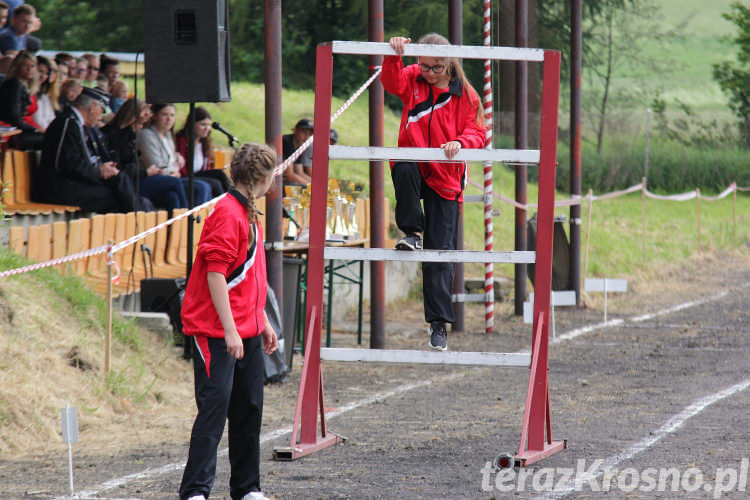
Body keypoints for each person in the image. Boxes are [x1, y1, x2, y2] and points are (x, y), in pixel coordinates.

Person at [179, 142, 279, 500]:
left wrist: (262, 319)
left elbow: (248, 276)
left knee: (248, 409)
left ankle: (247, 487)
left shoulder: (249, 212)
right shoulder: (227, 212)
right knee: (214, 408)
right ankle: (195, 491)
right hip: (216, 331)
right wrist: (231, 329)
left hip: (246, 330)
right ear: (262, 178)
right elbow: (216, 275)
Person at [383, 34, 486, 351]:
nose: (428, 72)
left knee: (441, 254)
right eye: (424, 65)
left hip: (447, 176)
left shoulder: (465, 95)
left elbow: (478, 132)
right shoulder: (413, 77)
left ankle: (438, 324)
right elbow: (391, 82)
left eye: (435, 68)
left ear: (449, 64)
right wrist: (394, 54)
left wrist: (461, 143)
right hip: (417, 165)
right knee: (402, 164)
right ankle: (412, 231)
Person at [37, 88, 145, 212]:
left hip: (70, 185)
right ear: (93, 106)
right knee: (117, 196)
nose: (100, 117)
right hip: (59, 190)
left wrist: (102, 169)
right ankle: (139, 225)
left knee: (122, 185)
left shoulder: (76, 124)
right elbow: (67, 163)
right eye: (101, 111)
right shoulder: (67, 123)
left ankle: (140, 222)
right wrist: (99, 172)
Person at [102, 98, 188, 210]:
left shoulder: (129, 136)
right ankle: (188, 219)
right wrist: (146, 172)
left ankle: (176, 226)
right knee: (175, 182)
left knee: (172, 197)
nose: (141, 128)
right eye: (140, 124)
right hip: (126, 184)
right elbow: (121, 169)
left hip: (136, 179)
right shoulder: (116, 136)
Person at [137, 102, 212, 206]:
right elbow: (155, 165)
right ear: (154, 116)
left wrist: (175, 171)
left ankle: (202, 219)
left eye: (172, 115)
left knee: (175, 196)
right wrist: (173, 172)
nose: (169, 119)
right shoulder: (146, 135)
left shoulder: (168, 135)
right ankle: (188, 218)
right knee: (201, 187)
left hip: (171, 178)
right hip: (154, 179)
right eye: (164, 115)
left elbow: (174, 163)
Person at [176, 106, 230, 198]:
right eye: (203, 125)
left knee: (219, 174)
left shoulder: (204, 143)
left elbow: (206, 168)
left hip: (199, 175)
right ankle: (225, 206)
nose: (207, 128)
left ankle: (232, 199)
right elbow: (182, 168)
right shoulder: (182, 141)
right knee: (215, 184)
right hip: (185, 176)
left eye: (208, 125)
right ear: (192, 124)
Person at [0, 50, 43, 149]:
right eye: (25, 65)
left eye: (32, 66)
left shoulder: (25, 85)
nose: (29, 69)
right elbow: (14, 117)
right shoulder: (14, 84)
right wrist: (35, 129)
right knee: (51, 139)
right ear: (16, 67)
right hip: (11, 130)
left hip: (19, 128)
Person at [281, 118, 313, 186]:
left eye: (310, 134)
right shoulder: (286, 142)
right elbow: (289, 175)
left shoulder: (299, 146)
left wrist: (318, 184)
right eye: (304, 133)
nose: (307, 137)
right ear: (294, 130)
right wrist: (312, 186)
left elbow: (300, 173)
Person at [30, 54, 58, 130]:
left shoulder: (43, 95)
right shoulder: (28, 93)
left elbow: (52, 119)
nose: (42, 76)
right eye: (40, 71)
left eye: (46, 74)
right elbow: (38, 122)